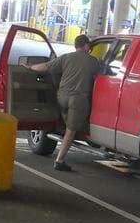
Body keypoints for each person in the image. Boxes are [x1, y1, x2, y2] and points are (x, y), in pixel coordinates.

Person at [25, 34, 100, 172]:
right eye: (89, 45)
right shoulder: (92, 61)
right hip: (77, 100)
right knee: (71, 131)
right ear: (86, 46)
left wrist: (29, 67)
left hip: (62, 98)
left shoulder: (66, 57)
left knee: (69, 126)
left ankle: (69, 134)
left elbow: (46, 67)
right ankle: (59, 161)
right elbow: (104, 75)